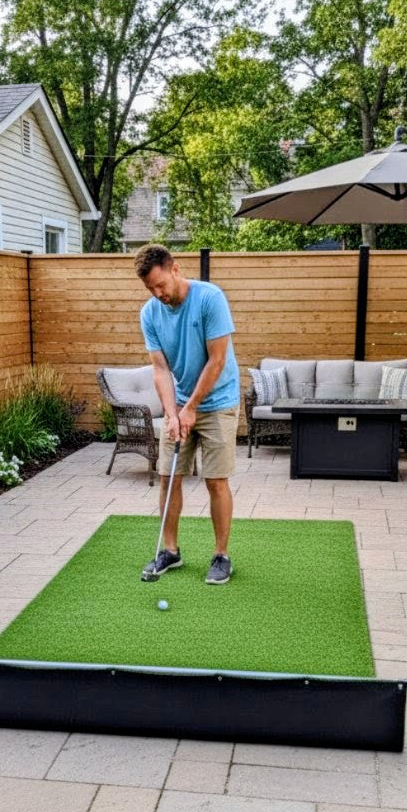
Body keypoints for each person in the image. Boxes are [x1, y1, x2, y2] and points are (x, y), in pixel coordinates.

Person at [136, 244, 240, 584]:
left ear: (175, 269)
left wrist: (192, 408)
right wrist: (172, 413)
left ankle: (221, 556)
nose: (158, 293)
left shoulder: (210, 299)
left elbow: (218, 360)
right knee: (168, 476)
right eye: (150, 288)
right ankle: (170, 551)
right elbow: (160, 368)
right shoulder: (150, 313)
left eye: (160, 284)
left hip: (219, 401)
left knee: (215, 480)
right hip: (180, 403)